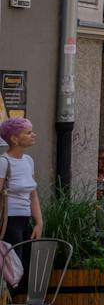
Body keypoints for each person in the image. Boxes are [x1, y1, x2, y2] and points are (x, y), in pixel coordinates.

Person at [1, 118, 45, 291]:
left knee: (24, 268)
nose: (33, 135)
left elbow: (32, 194)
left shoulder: (28, 160)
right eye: (28, 132)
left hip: (25, 220)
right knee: (12, 269)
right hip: (8, 221)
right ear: (14, 138)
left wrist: (39, 222)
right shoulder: (4, 162)